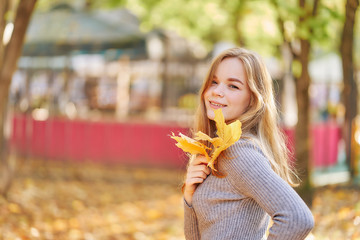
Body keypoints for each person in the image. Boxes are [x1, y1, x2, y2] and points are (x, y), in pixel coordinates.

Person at [183, 47, 314, 240]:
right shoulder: (217, 151)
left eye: (233, 86)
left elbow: (298, 219)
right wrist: (189, 196)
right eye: (214, 82)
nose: (217, 92)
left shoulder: (239, 152)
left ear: (253, 100)